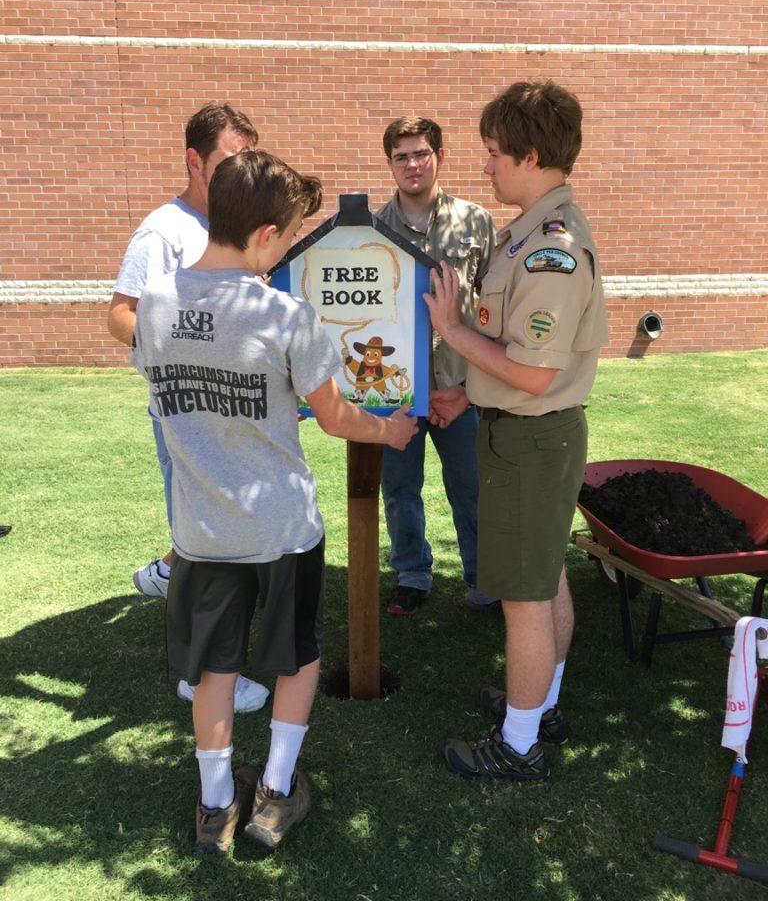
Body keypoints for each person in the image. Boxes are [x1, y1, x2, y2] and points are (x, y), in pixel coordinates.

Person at [132, 150, 417, 852]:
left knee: (214, 667)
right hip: (283, 528)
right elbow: (337, 416)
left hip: (200, 530)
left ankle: (214, 805)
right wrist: (394, 430)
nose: (288, 246)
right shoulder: (285, 313)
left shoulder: (156, 301)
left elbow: (184, 391)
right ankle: (277, 792)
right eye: (288, 234)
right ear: (264, 234)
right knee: (295, 658)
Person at [425, 81, 608, 781]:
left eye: (496, 154)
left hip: (531, 439)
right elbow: (510, 357)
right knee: (545, 577)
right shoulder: (530, 234)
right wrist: (464, 390)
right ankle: (541, 706)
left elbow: (531, 374)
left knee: (524, 597)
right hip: (528, 435)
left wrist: (449, 330)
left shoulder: (549, 252)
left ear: (531, 155)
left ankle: (520, 744)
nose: (486, 167)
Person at [107, 102, 266, 713]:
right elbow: (121, 313)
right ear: (193, 161)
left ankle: (172, 580)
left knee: (221, 538)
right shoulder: (164, 230)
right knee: (207, 545)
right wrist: (185, 351)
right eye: (227, 162)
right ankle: (197, 674)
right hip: (186, 417)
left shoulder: (238, 219)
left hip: (236, 415)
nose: (236, 175)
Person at [374, 116, 497, 615]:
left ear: (439, 157)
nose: (411, 164)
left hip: (459, 385)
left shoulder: (476, 222)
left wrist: (473, 384)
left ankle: (483, 578)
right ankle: (411, 573)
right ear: (390, 164)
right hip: (395, 390)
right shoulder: (374, 230)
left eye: (420, 153)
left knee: (471, 486)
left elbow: (494, 305)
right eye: (400, 156)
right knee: (400, 489)